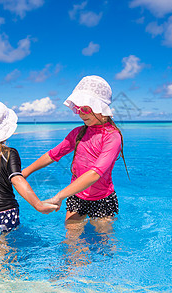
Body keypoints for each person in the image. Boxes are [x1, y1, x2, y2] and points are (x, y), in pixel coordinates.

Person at [22, 75, 128, 224]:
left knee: (104, 244)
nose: (81, 113)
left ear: (100, 108)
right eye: (78, 109)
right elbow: (53, 155)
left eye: (85, 108)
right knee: (72, 243)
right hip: (76, 196)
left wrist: (59, 196)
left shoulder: (112, 137)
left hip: (103, 199)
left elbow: (94, 174)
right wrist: (26, 172)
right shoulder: (78, 133)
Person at [0, 99, 57, 233]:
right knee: (7, 251)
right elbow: (17, 180)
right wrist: (38, 205)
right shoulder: (8, 153)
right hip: (5, 214)